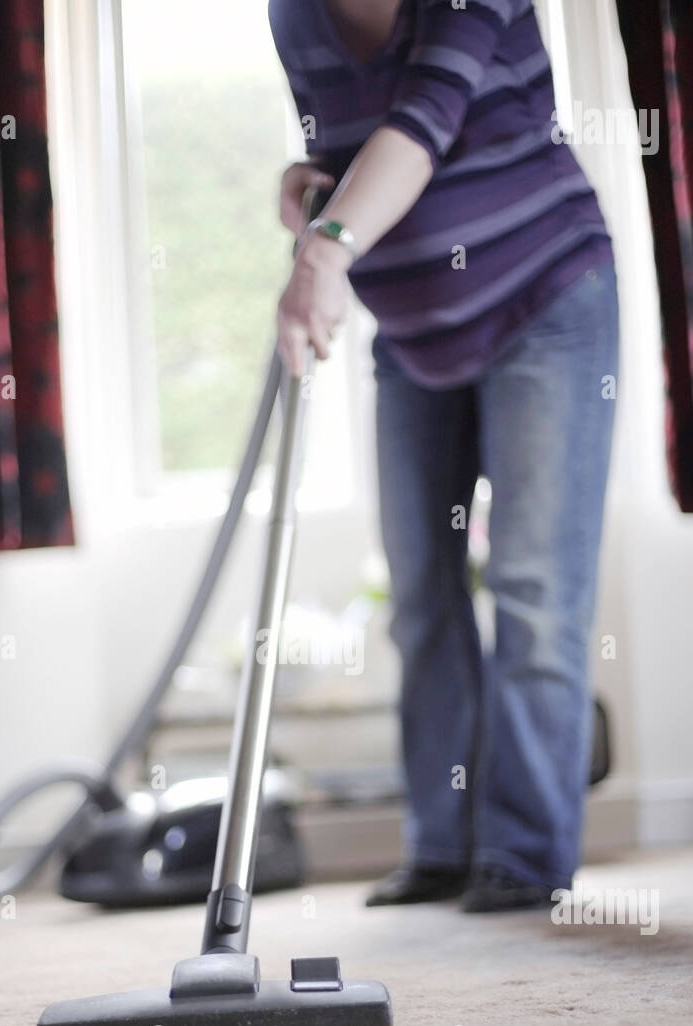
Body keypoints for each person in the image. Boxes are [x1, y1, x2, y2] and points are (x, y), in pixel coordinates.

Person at [268, 0, 618, 913]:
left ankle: (526, 853)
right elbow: (347, 156)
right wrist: (308, 191)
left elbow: (422, 124)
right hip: (415, 335)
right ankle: (442, 843)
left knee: (535, 590)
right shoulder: (294, 14)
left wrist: (324, 250)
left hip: (543, 300)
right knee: (420, 595)